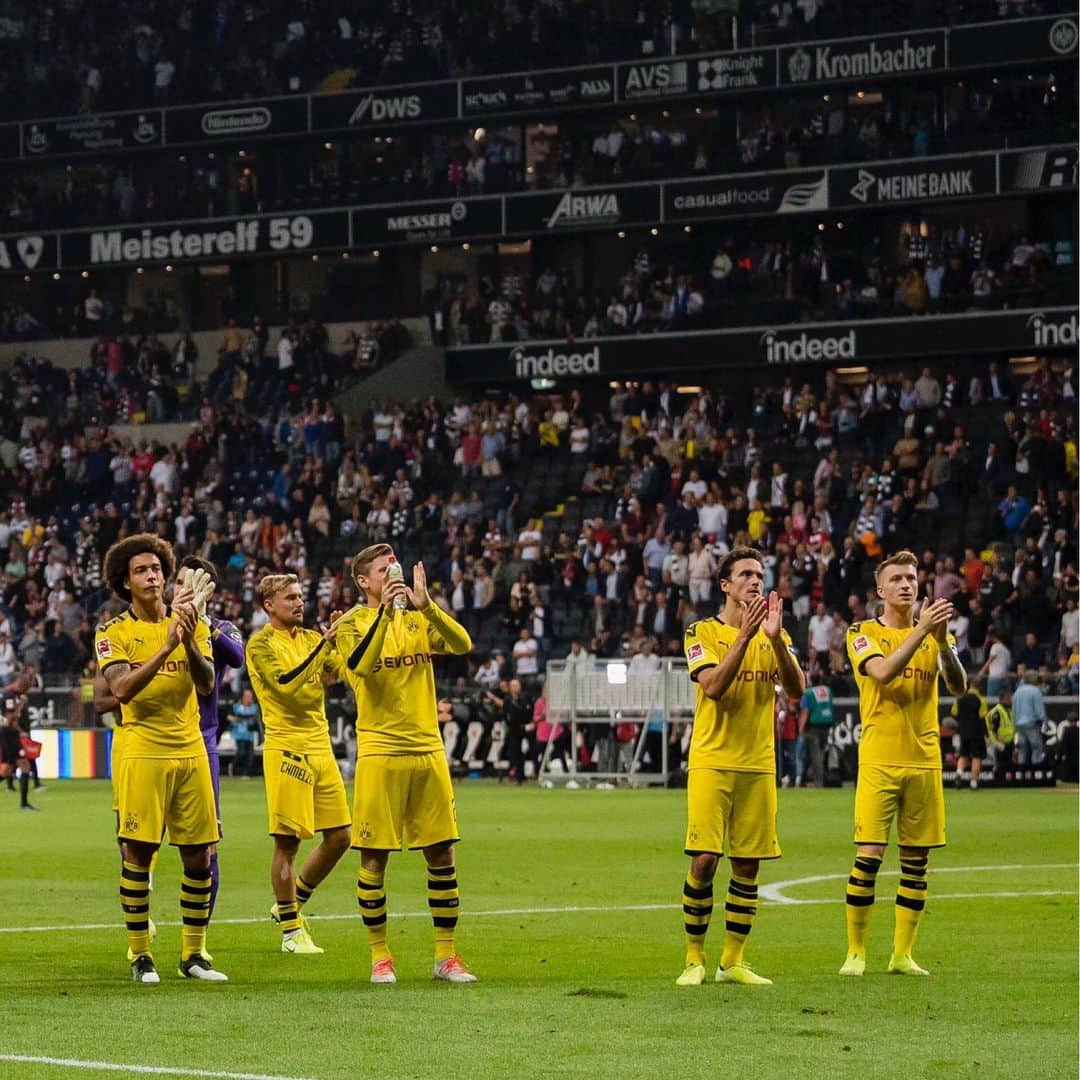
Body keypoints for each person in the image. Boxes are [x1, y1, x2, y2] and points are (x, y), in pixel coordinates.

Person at [334, 544, 476, 985]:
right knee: (374, 858)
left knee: (441, 854)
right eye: (383, 569)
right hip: (380, 752)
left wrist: (428, 607)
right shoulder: (351, 624)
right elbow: (361, 664)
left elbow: (462, 644)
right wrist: (385, 615)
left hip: (428, 750)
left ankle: (446, 957)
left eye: (394, 565)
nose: (391, 573)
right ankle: (380, 957)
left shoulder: (418, 617)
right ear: (364, 581)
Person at [95, 534, 227, 985]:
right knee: (139, 851)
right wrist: (168, 645)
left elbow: (207, 683)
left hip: (189, 748)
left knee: (199, 855)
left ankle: (195, 955)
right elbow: (121, 690)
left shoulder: (194, 623)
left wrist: (189, 640)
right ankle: (140, 955)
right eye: (141, 571)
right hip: (142, 749)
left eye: (156, 569)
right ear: (124, 583)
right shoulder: (113, 632)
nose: (152, 576)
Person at [676, 546, 805, 988]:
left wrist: (773, 640)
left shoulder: (774, 635)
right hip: (712, 761)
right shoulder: (701, 632)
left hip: (758, 765)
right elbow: (712, 686)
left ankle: (732, 961)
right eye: (746, 574)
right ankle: (694, 957)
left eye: (761, 575)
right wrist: (747, 637)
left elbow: (796, 690)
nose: (756, 581)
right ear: (726, 585)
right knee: (706, 860)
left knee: (748, 866)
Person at [841, 550, 966, 978]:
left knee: (916, 862)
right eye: (896, 579)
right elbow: (883, 674)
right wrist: (924, 632)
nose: (907, 584)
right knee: (869, 856)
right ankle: (856, 951)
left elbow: (959, 684)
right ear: (880, 590)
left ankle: (902, 954)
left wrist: (942, 642)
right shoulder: (862, 632)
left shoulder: (936, 634)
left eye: (911, 578)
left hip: (925, 760)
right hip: (879, 759)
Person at [246, 574, 352, 955]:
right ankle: (291, 932)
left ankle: (291, 902)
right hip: (286, 748)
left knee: (341, 836)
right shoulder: (259, 646)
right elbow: (287, 685)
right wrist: (322, 649)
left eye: (301, 596)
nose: (299, 602)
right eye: (289, 597)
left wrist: (345, 639)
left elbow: (341, 672)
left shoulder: (309, 638)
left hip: (321, 745)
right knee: (288, 842)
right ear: (269, 605)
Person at [178, 556, 245, 924]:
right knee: (140, 843)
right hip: (157, 742)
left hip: (202, 740)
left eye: (192, 582)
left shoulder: (221, 627)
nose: (183, 589)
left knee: (207, 844)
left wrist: (204, 623)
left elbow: (237, 657)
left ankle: (199, 938)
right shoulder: (159, 627)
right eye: (180, 582)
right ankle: (140, 934)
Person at [799, 673, 835, 787]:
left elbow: (805, 711)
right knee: (822, 753)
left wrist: (800, 728)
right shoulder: (828, 690)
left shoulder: (808, 693)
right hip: (827, 724)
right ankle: (813, 780)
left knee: (816, 756)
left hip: (813, 726)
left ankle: (819, 783)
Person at [951, 687, 987, 789]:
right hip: (977, 733)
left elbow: (954, 713)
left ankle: (959, 773)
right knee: (977, 757)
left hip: (963, 732)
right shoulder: (981, 699)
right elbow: (983, 715)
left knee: (963, 755)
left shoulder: (959, 699)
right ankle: (974, 782)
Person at [1, 699, 34, 810]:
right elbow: (10, 718)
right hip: (9, 736)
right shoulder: (9, 698)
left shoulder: (12, 697)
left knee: (7, 771)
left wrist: (20, 732)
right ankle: (24, 804)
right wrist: (20, 705)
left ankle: (24, 804)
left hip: (10, 734)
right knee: (25, 767)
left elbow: (13, 722)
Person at [1011, 672, 1047, 766]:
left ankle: (1021, 774)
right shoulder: (1035, 690)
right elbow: (1040, 710)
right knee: (1037, 748)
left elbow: (1014, 710)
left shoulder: (1017, 691)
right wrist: (1045, 721)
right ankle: (1036, 771)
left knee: (1022, 749)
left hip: (1019, 724)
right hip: (1031, 723)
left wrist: (1014, 723)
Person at [228, 688, 260, 777]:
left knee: (250, 755)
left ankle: (245, 774)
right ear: (242, 697)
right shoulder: (237, 707)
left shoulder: (255, 708)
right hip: (239, 734)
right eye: (247, 696)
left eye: (250, 696)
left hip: (249, 734)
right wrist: (236, 719)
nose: (249, 698)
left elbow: (258, 719)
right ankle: (232, 766)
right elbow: (229, 716)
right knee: (241, 752)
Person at [985, 687, 1015, 776]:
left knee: (1009, 766)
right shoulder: (996, 712)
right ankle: (998, 781)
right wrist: (997, 743)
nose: (1011, 701)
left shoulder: (1009, 710)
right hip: (1000, 744)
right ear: (1002, 699)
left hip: (1009, 742)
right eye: (1009, 699)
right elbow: (991, 730)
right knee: (1000, 766)